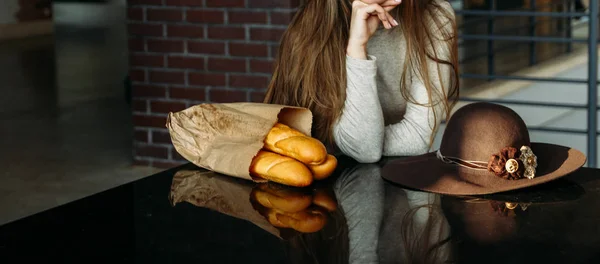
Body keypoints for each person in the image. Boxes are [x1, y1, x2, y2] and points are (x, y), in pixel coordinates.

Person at [264, 0, 460, 163]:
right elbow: (365, 149)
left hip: (403, 181)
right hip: (329, 188)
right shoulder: (312, 28)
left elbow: (418, 137)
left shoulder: (434, 16)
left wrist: (364, 141)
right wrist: (357, 48)